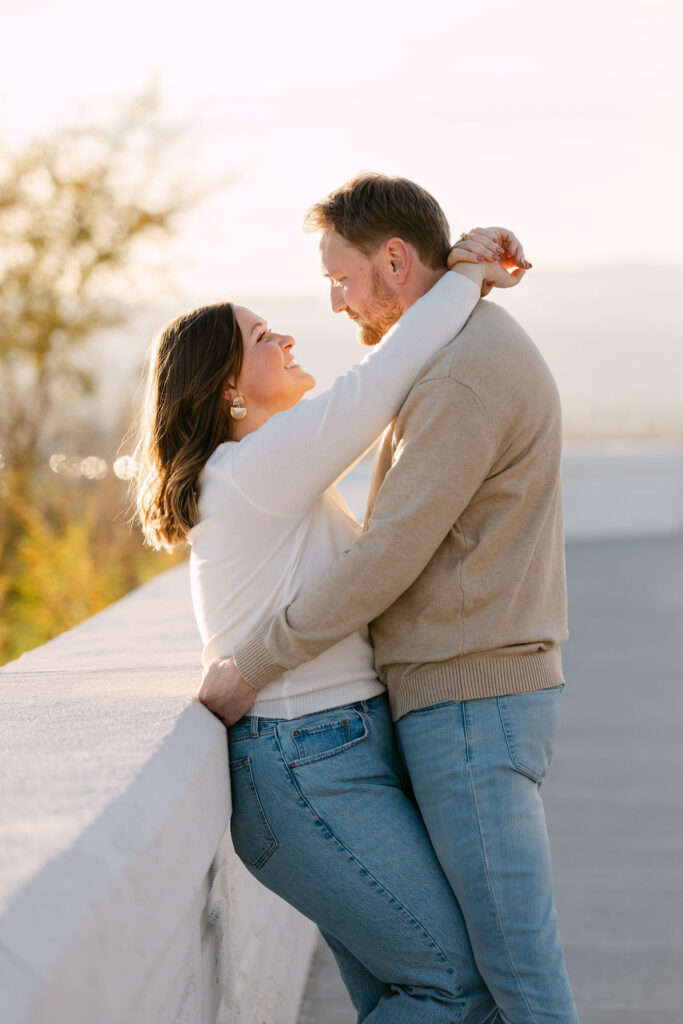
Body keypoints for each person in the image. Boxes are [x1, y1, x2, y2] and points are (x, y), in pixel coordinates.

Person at [199, 173, 580, 1024]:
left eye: (340, 278)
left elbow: (386, 556)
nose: (333, 304)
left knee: (512, 980)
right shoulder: (457, 351)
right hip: (454, 700)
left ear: (396, 261)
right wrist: (469, 273)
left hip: (471, 703)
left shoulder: (460, 376)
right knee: (434, 986)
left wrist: (251, 663)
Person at [134, 211, 522, 1023]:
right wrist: (464, 276)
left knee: (406, 989)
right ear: (229, 390)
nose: (287, 342)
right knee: (452, 988)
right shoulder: (249, 470)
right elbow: (380, 384)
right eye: (263, 337)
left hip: (329, 754)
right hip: (306, 765)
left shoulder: (260, 476)